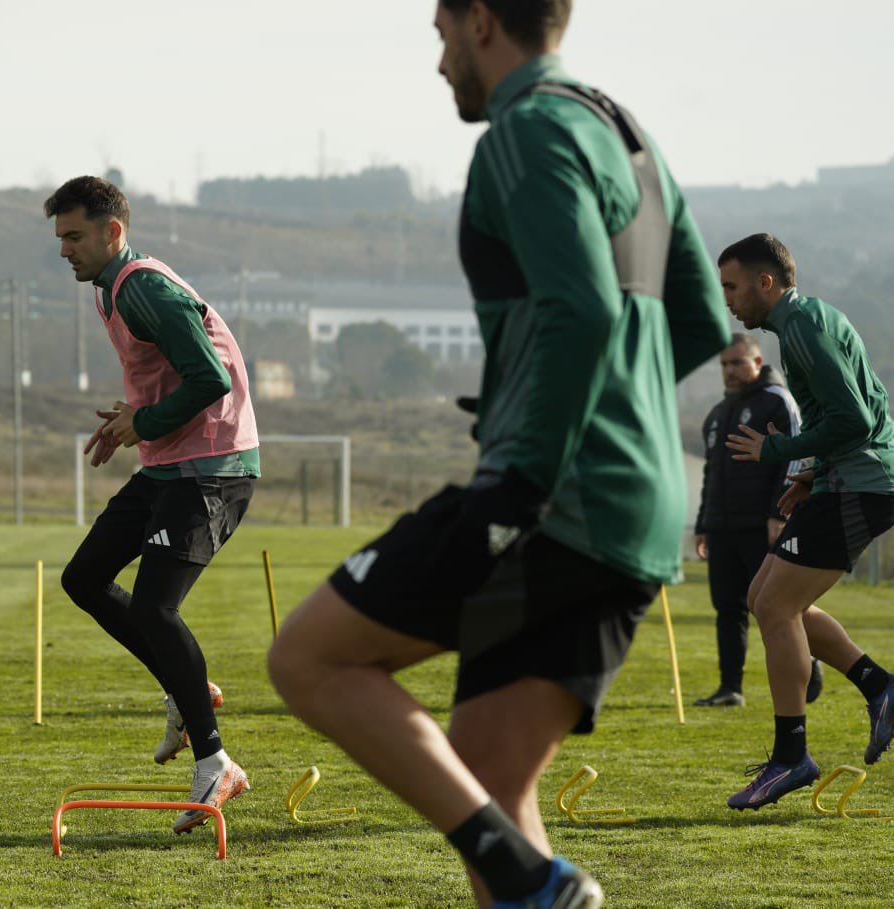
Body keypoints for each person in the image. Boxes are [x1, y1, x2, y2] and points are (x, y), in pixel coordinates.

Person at [267, 1, 730, 906]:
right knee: (492, 773)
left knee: (309, 659)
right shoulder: (627, 134)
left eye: (440, 37)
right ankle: (524, 875)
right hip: (641, 505)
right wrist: (583, 396)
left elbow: (585, 311)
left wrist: (538, 443)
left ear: (479, 21)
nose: (440, 65)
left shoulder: (526, 130)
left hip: (550, 493)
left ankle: (528, 874)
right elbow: (701, 314)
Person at [46, 175, 258, 835]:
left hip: (211, 469)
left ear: (112, 231)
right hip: (169, 464)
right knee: (83, 577)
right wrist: (135, 418)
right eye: (59, 239)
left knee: (155, 607)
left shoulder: (142, 285)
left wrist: (147, 420)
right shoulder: (115, 289)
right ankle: (181, 687)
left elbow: (210, 375)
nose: (65, 251)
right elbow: (172, 373)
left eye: (74, 236)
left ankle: (216, 759)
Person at [720, 233, 894, 810]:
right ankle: (879, 687)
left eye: (733, 286)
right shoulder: (801, 323)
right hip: (844, 479)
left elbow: (855, 418)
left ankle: (791, 757)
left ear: (766, 283)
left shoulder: (804, 327)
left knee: (775, 607)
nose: (728, 301)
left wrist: (780, 453)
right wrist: (809, 476)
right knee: (762, 596)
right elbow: (843, 418)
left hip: (864, 482)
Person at [693, 332, 823, 707]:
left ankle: (811, 660)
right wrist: (704, 522)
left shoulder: (777, 401)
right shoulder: (717, 415)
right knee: (727, 608)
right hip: (721, 527)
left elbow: (795, 457)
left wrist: (777, 514)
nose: (729, 371)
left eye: (736, 363)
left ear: (757, 361)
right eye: (724, 365)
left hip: (762, 524)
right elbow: (709, 475)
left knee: (776, 605)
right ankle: (730, 688)